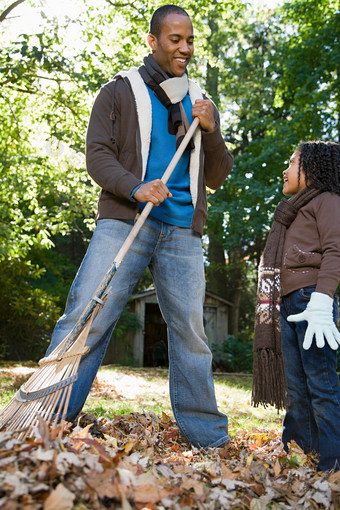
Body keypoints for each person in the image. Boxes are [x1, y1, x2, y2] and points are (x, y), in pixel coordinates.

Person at [45, 4, 233, 449]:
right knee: (87, 315)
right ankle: (48, 416)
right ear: (153, 41)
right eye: (175, 40)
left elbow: (217, 174)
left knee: (191, 331)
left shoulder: (201, 99)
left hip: (183, 231)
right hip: (125, 221)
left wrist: (209, 130)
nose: (185, 48)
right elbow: (98, 156)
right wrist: (136, 188)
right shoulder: (119, 91)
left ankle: (207, 436)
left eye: (190, 40)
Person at [253, 140, 340, 471]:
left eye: (292, 162)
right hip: (287, 303)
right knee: (297, 385)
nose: (285, 169)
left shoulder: (327, 200)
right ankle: (299, 452)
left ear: (313, 168)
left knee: (321, 383)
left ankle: (333, 462)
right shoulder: (292, 211)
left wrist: (323, 298)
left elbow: (336, 250)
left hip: (311, 302)